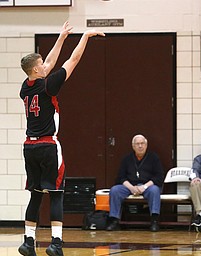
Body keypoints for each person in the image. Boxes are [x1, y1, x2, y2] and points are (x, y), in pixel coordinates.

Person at [18, 21, 105, 256]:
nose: (45, 65)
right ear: (36, 70)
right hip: (47, 145)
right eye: (41, 65)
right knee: (56, 194)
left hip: (29, 146)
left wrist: (62, 37)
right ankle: (56, 243)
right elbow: (72, 61)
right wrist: (85, 37)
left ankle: (28, 241)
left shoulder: (26, 87)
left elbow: (48, 63)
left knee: (36, 195)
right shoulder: (48, 87)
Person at [106, 134, 164, 232]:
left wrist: (144, 187)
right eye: (137, 144)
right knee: (115, 190)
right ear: (133, 146)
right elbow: (120, 177)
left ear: (146, 145)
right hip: (130, 186)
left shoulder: (154, 158)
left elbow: (159, 176)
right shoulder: (126, 159)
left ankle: (154, 221)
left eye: (142, 143)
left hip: (147, 186)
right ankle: (114, 220)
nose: (140, 146)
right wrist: (131, 187)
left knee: (155, 190)